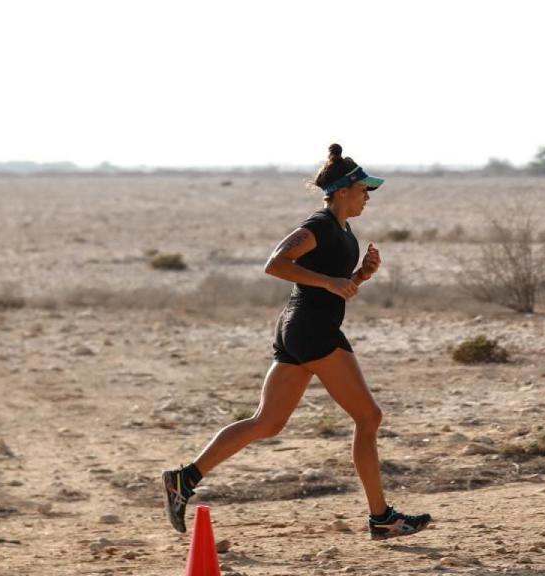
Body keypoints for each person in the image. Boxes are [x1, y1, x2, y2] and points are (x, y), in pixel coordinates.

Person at [162, 144, 431, 540]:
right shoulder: (319, 225)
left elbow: (337, 288)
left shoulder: (344, 232)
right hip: (312, 329)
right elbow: (275, 263)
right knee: (368, 417)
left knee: (267, 422)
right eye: (363, 190)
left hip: (300, 328)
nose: (367, 197)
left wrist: (360, 276)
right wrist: (330, 281)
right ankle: (381, 518)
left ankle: (184, 479)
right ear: (343, 191)